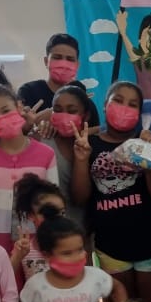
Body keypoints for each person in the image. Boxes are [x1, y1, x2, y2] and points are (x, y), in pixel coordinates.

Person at [70, 81, 151, 302]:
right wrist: (82, 160)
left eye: (132, 104)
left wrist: (148, 158)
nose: (124, 107)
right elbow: (80, 197)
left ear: (139, 113)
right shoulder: (89, 144)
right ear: (105, 105)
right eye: (118, 100)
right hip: (111, 248)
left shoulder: (146, 142)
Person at [0, 82, 59, 252]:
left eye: (6, 110)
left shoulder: (46, 153)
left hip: (37, 245)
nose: (1, 118)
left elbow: (53, 205)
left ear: (18, 107)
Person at [46, 84, 100, 232]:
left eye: (72, 111)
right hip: (48, 231)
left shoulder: (95, 144)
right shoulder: (43, 141)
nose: (64, 115)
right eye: (57, 110)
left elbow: (79, 200)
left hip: (81, 231)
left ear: (86, 115)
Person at [9, 175, 66, 285]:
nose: (57, 218)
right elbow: (5, 279)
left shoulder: (71, 242)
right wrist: (17, 257)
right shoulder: (25, 248)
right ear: (31, 215)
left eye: (62, 212)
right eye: (49, 213)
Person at [18, 33, 82, 111]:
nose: (64, 64)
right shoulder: (29, 91)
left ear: (77, 65)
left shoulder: (80, 96)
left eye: (70, 59)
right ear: (46, 61)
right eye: (57, 57)